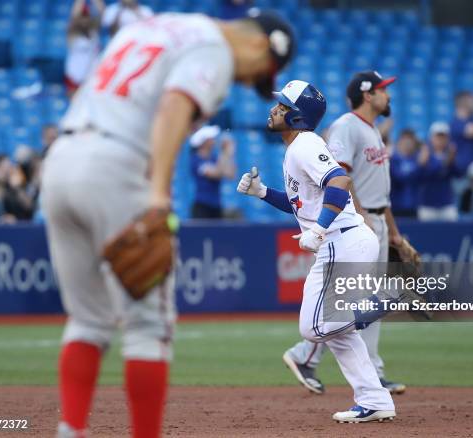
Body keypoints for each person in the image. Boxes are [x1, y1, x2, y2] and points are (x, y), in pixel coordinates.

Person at [41, 10, 295, 438]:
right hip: (117, 167)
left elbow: (83, 86)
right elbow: (176, 102)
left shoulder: (147, 29)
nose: (246, 81)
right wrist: (158, 195)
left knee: (86, 320)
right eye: (260, 72)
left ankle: (71, 431)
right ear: (257, 44)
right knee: (148, 328)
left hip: (62, 161)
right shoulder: (213, 46)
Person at [237, 79, 396, 423]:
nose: (274, 108)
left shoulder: (305, 144)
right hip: (344, 241)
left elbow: (339, 181)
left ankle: (380, 301)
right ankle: (374, 399)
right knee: (338, 335)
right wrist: (263, 192)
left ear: (296, 117)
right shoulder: (297, 147)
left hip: (342, 240)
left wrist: (320, 229)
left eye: (282, 106)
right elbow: (301, 204)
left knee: (313, 327)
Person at [282, 71, 407, 396]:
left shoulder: (371, 129)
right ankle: (314, 357)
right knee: (348, 304)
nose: (387, 95)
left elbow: (379, 187)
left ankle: (359, 378)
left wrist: (394, 232)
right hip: (354, 223)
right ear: (367, 94)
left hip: (369, 221)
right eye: (383, 89)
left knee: (343, 305)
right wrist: (357, 219)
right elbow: (336, 180)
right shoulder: (345, 128)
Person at [189, 125, 236, 218]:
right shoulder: (196, 160)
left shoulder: (214, 158)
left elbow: (231, 174)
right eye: (211, 138)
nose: (214, 140)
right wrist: (225, 153)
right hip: (202, 206)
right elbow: (216, 174)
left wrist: (229, 154)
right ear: (205, 142)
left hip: (216, 205)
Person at [417, 122, 459, 221]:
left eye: (443, 137)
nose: (440, 140)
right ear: (431, 138)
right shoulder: (425, 153)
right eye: (438, 137)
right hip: (427, 204)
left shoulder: (450, 154)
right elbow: (421, 175)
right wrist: (446, 162)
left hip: (446, 203)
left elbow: (459, 173)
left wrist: (452, 162)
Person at [65, 0, 105, 96]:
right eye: (82, 17)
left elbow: (103, 13)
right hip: (75, 77)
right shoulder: (73, 33)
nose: (84, 20)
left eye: (86, 16)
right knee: (75, 107)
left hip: (92, 77)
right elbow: (74, 18)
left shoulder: (94, 32)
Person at [390, 129, 421, 218]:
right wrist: (419, 166)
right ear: (399, 141)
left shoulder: (416, 158)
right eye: (405, 140)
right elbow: (399, 178)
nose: (408, 143)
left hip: (413, 207)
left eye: (410, 141)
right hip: (396, 207)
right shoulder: (392, 160)